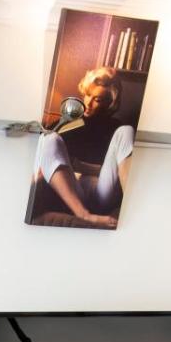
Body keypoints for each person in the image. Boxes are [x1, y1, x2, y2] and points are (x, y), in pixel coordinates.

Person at [30, 66, 135, 228]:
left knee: (127, 131)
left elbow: (113, 171)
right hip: (73, 192)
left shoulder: (116, 129)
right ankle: (84, 214)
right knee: (48, 138)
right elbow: (46, 158)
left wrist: (80, 166)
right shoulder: (66, 123)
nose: (88, 103)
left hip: (102, 192)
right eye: (87, 95)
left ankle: (133, 204)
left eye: (97, 99)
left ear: (110, 102)